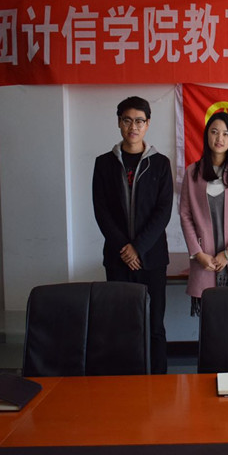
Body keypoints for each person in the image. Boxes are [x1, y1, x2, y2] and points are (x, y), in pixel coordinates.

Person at [92, 96, 173, 374]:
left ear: (148, 124)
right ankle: (123, 383)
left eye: (139, 121)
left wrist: (137, 247)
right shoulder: (104, 163)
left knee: (155, 325)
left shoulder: (160, 164)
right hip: (117, 259)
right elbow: (101, 211)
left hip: (152, 260)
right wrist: (125, 249)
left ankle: (159, 382)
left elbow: (163, 211)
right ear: (119, 122)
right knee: (120, 325)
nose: (133, 127)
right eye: (127, 120)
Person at [179, 111, 228, 316]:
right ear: (206, 135)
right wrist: (197, 253)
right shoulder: (192, 172)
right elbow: (185, 215)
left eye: (226, 134)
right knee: (209, 322)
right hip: (204, 260)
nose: (220, 138)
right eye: (214, 132)